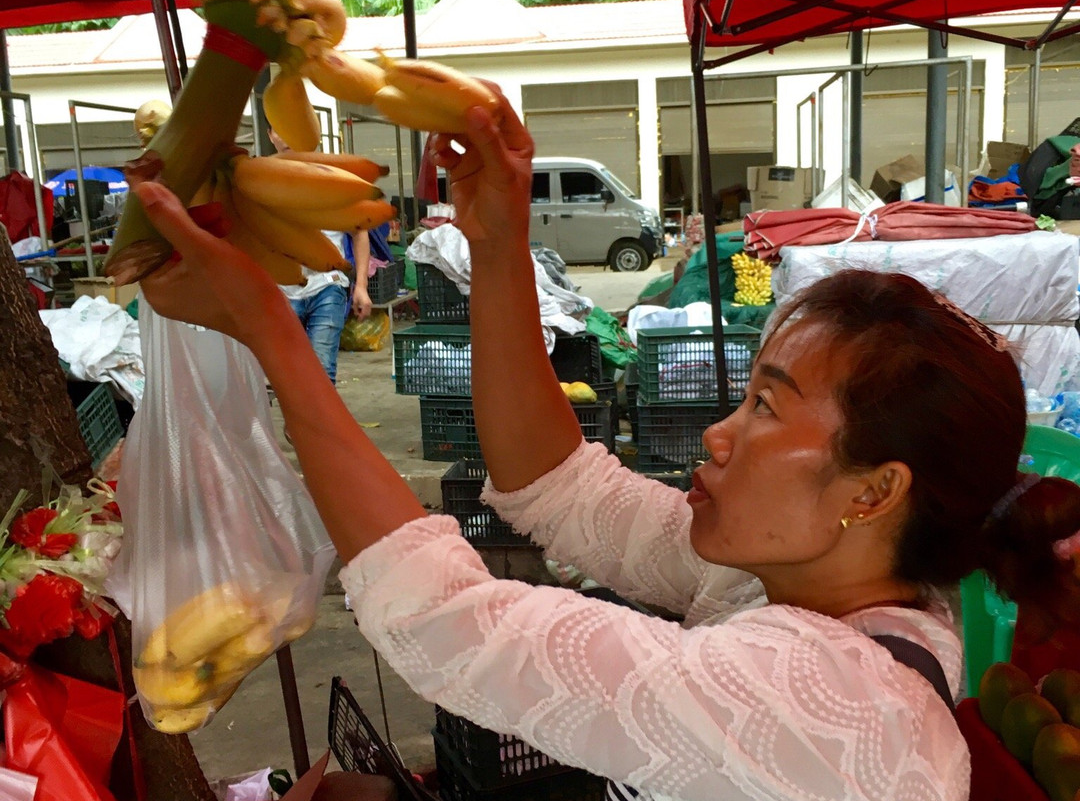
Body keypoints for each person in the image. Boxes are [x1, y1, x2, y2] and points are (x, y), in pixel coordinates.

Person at [131, 88, 1080, 801]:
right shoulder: (784, 583)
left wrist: (273, 333)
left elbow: (442, 620)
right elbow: (560, 485)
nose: (717, 432)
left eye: (764, 408)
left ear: (873, 492)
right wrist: (498, 234)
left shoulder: (834, 702)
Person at [268, 128, 372, 384]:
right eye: (280, 130)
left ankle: (316, 425)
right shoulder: (263, 181)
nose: (287, 136)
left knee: (323, 374)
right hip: (282, 291)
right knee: (287, 377)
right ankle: (296, 425)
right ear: (271, 135)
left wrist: (361, 285)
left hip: (328, 285)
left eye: (292, 126)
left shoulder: (332, 178)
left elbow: (360, 232)